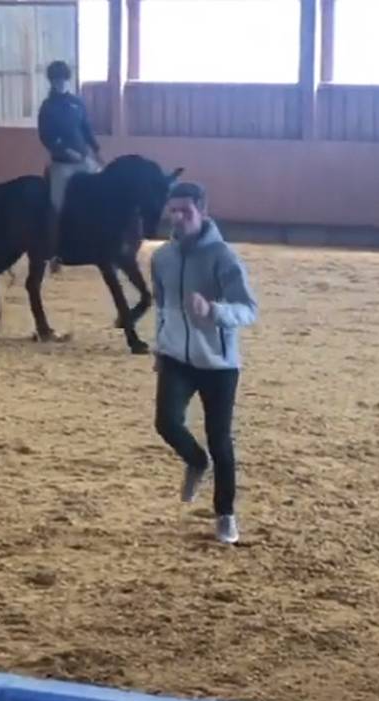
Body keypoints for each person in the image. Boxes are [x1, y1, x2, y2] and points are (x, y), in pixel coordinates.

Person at [150, 182, 259, 544]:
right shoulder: (161, 258)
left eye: (186, 211)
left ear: (203, 212)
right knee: (166, 423)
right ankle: (195, 461)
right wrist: (160, 345)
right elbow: (162, 305)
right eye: (173, 211)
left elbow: (248, 309)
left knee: (220, 440)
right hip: (176, 357)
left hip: (218, 364)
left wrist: (214, 310)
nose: (178, 218)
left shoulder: (224, 258)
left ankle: (225, 515)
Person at [37, 60, 102, 273]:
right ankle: (54, 252)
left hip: (84, 160)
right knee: (57, 205)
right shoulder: (47, 107)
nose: (60, 83)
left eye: (62, 79)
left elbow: (87, 128)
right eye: (56, 80)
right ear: (52, 82)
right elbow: (46, 136)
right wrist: (65, 151)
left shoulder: (77, 103)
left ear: (67, 79)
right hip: (62, 164)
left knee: (106, 191)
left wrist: (97, 151)